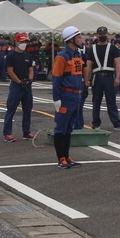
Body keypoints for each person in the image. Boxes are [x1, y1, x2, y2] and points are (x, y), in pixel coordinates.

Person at [51, 26, 86, 169]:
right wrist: (56, 99)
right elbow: (56, 78)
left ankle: (66, 155)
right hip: (65, 96)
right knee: (61, 128)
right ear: (71, 39)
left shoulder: (77, 54)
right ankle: (61, 158)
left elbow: (78, 75)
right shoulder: (62, 56)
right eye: (78, 37)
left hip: (76, 96)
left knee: (69, 128)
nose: (81, 39)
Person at [86, 26, 120, 131]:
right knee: (96, 102)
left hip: (109, 77)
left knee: (111, 101)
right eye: (100, 34)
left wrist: (117, 78)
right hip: (97, 77)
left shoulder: (113, 48)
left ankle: (117, 124)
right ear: (97, 35)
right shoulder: (92, 49)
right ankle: (95, 124)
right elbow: (89, 65)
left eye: (104, 34)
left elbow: (117, 64)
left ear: (107, 35)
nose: (102, 36)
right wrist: (87, 79)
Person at [2, 33, 36, 143]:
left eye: (25, 42)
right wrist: (20, 82)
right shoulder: (11, 55)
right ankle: (7, 133)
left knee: (28, 109)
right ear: (16, 42)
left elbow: (31, 69)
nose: (23, 44)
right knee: (11, 109)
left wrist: (30, 80)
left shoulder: (28, 56)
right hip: (16, 85)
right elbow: (10, 71)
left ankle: (26, 132)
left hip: (27, 85)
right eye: (21, 42)